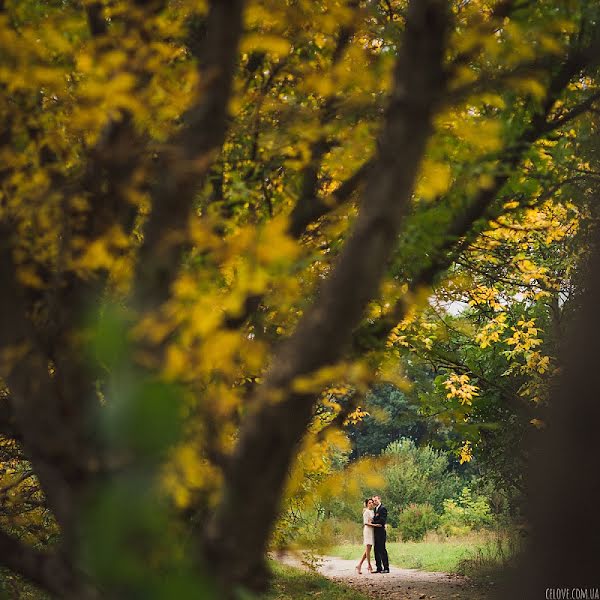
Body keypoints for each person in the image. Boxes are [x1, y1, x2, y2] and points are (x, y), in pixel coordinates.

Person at [355, 498, 375, 574]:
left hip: (372, 530)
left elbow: (373, 520)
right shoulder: (366, 512)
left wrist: (373, 522)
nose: (371, 504)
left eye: (372, 503)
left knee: (368, 549)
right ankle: (369, 565)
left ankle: (359, 565)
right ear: (367, 504)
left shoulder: (373, 511)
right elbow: (366, 523)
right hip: (368, 531)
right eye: (369, 503)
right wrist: (374, 524)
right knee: (368, 548)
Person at [372, 494, 390, 573]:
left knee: (382, 549)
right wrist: (375, 522)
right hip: (375, 532)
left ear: (379, 499)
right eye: (373, 501)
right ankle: (379, 567)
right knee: (376, 549)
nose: (374, 502)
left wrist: (373, 522)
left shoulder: (383, 509)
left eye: (376, 500)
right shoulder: (375, 509)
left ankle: (386, 567)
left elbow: (382, 521)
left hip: (381, 532)